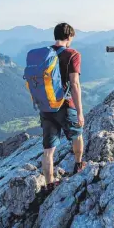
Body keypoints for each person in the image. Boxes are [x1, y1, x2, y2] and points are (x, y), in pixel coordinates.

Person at [40, 23, 86, 192]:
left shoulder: (45, 54)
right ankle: (78, 165)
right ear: (69, 37)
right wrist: (80, 112)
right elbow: (74, 84)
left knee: (48, 150)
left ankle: (49, 184)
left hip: (45, 107)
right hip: (65, 105)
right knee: (77, 135)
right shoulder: (72, 54)